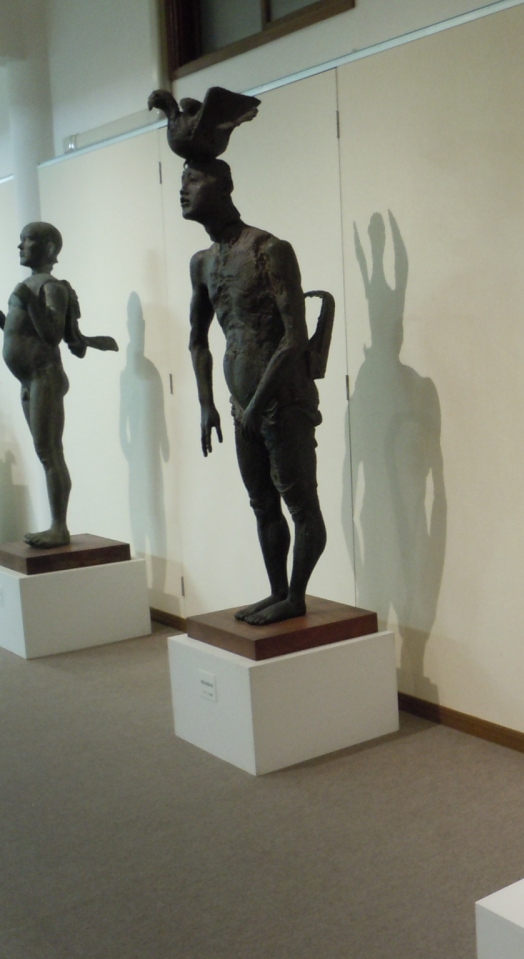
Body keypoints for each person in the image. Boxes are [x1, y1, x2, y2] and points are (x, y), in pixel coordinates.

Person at [181, 157, 327, 625]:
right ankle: (277, 591)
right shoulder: (202, 262)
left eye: (193, 180)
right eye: (182, 180)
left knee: (301, 505)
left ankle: (295, 597)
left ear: (223, 186)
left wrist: (258, 402)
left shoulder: (269, 249)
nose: (183, 190)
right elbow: (198, 339)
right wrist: (207, 404)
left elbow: (293, 337)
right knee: (262, 504)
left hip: (283, 400)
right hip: (242, 404)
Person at [0, 222, 117, 548]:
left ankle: (59, 527)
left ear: (49, 248)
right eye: (21, 240)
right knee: (44, 452)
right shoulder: (31, 285)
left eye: (28, 240)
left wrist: (30, 301)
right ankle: (56, 525)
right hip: (29, 380)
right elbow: (22, 331)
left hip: (44, 378)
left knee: (50, 451)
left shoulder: (51, 288)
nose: (20, 246)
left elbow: (52, 335)